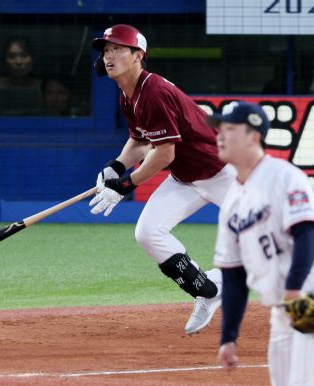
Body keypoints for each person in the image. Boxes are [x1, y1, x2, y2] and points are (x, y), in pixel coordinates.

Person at [88, 24, 236, 334]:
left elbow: (164, 153)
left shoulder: (153, 91)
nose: (109, 56)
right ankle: (208, 292)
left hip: (222, 172)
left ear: (138, 55)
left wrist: (126, 185)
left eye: (117, 49)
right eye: (106, 51)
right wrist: (115, 166)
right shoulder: (128, 95)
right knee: (148, 232)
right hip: (186, 177)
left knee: (271, 239)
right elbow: (140, 142)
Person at [210, 101, 314, 385]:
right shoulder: (231, 202)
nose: (220, 136)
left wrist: (293, 290)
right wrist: (228, 338)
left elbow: (306, 233)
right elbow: (233, 274)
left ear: (254, 136)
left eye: (229, 128)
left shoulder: (284, 176)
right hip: (284, 311)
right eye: (219, 129)